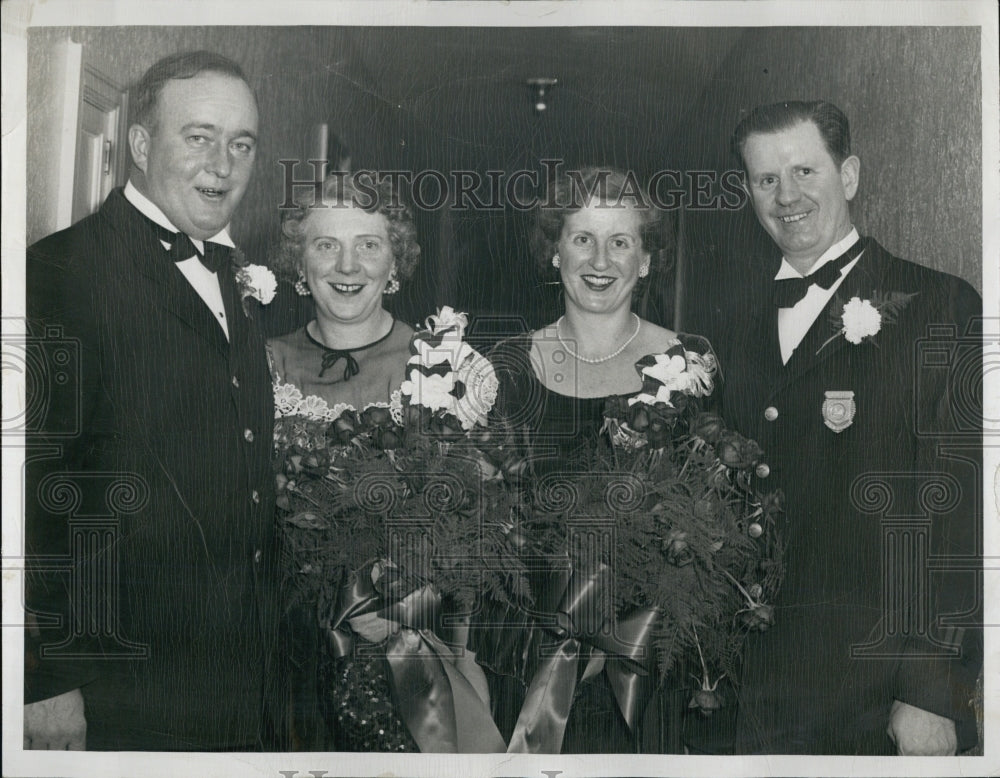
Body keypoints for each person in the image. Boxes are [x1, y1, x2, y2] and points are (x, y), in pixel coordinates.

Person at [692, 100, 982, 754]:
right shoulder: (729, 323)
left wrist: (932, 691)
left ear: (848, 176)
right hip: (749, 687)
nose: (786, 197)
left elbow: (963, 511)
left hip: (871, 693)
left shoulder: (940, 306)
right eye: (767, 179)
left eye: (805, 172)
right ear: (748, 192)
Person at [23, 51, 280, 751]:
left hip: (239, 683)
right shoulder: (60, 272)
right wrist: (41, 680)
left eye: (242, 144)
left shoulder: (236, 274)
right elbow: (24, 488)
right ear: (139, 144)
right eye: (199, 137)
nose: (222, 165)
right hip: (118, 690)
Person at [472, 167, 715, 753]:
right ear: (555, 251)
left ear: (646, 260)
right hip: (528, 662)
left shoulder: (690, 364)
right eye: (582, 238)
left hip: (645, 668)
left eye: (621, 241)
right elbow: (480, 530)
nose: (600, 260)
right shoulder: (505, 366)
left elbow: (711, 522)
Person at [268, 172, 420, 751]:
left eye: (369, 245)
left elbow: (487, 518)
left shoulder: (442, 363)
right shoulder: (262, 363)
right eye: (326, 244)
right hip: (284, 649)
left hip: (411, 655)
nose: (348, 265)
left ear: (394, 262)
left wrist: (408, 597)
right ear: (299, 264)